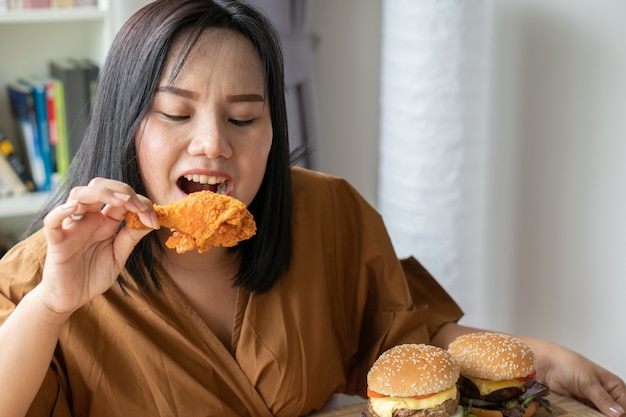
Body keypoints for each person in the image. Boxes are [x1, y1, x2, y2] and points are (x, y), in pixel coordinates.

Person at [0, 0, 624, 416]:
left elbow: (403, 343)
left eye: (245, 116)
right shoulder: (45, 269)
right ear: (123, 124)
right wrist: (52, 306)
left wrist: (544, 358)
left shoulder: (325, 212)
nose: (214, 143)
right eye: (176, 113)